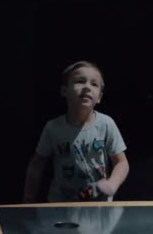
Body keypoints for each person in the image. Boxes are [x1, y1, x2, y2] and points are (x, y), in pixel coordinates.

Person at [23, 60, 129, 202]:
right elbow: (37, 164)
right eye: (80, 81)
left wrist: (112, 184)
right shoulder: (53, 128)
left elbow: (122, 163)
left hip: (99, 208)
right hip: (61, 207)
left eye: (94, 84)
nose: (87, 87)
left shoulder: (106, 124)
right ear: (64, 91)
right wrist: (28, 198)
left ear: (99, 97)